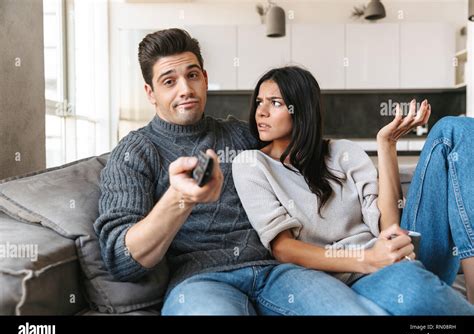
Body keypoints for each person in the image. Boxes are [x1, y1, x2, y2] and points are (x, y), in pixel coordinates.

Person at [94, 28, 388, 315]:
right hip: (201, 281)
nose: (185, 89)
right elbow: (122, 259)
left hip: (278, 272)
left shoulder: (242, 135)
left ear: (205, 79)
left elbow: (305, 148)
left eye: (192, 75)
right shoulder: (135, 152)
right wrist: (180, 199)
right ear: (150, 93)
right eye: (169, 81)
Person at [232, 66, 474, 315]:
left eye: (275, 103)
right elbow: (283, 249)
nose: (261, 111)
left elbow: (387, 227)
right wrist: (369, 260)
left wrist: (387, 145)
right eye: (260, 101)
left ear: (301, 110)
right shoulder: (252, 165)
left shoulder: (343, 152)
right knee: (415, 290)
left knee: (457, 129)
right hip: (350, 278)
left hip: (397, 254)